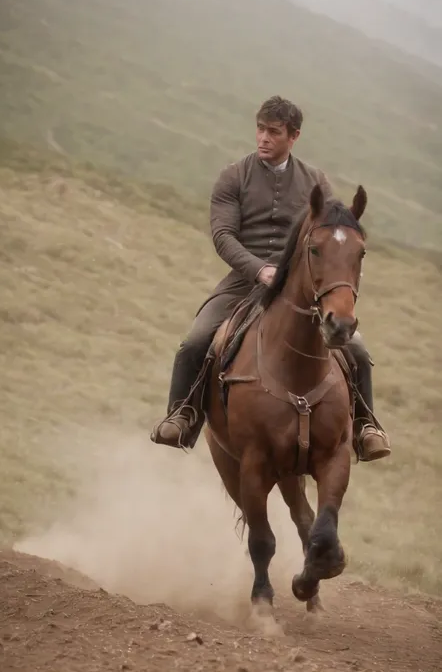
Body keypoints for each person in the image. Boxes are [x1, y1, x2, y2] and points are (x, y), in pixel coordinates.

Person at [150, 96, 391, 462]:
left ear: (293, 136)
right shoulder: (234, 176)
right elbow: (223, 236)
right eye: (260, 129)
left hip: (302, 288)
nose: (263, 138)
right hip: (244, 282)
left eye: (273, 132)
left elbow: (328, 235)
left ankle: (366, 426)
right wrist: (259, 269)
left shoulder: (315, 182)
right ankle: (182, 415)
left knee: (356, 349)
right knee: (196, 341)